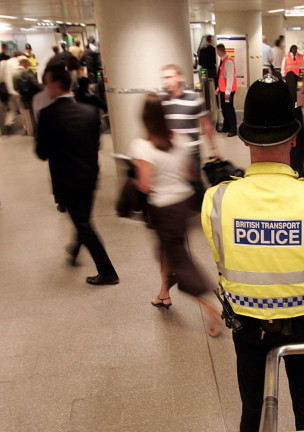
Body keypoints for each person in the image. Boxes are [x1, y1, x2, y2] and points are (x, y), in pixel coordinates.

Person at [201, 76, 304, 432]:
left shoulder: (219, 199)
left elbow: (219, 251)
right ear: (294, 135)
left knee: (254, 407)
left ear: (245, 141)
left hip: (249, 328)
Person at [129, 94, 222, 335]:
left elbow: (145, 184)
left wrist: (135, 179)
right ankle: (163, 294)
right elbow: (191, 173)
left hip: (164, 209)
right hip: (183, 205)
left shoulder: (142, 146)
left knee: (180, 261)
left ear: (143, 118)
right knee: (166, 251)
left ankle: (214, 311)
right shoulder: (180, 139)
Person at [35, 65, 119, 286]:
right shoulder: (90, 111)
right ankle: (74, 250)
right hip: (90, 175)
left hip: (66, 179)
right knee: (83, 219)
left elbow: (41, 152)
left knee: (83, 222)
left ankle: (107, 271)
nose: (45, 88)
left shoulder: (47, 115)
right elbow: (96, 143)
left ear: (54, 84)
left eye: (47, 83)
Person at [160, 64, 219, 179]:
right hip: (172, 153)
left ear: (179, 78)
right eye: (164, 78)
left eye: (169, 77)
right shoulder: (162, 101)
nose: (166, 81)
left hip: (191, 153)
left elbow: (206, 124)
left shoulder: (193, 99)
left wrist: (213, 149)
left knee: (195, 187)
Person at [215, 43, 238, 137]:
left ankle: (233, 129)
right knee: (224, 109)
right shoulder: (223, 61)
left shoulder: (228, 61)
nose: (216, 52)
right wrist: (218, 88)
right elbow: (221, 77)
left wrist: (228, 91)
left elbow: (229, 78)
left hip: (228, 91)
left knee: (229, 109)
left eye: (217, 51)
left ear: (220, 50)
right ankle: (226, 126)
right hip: (223, 90)